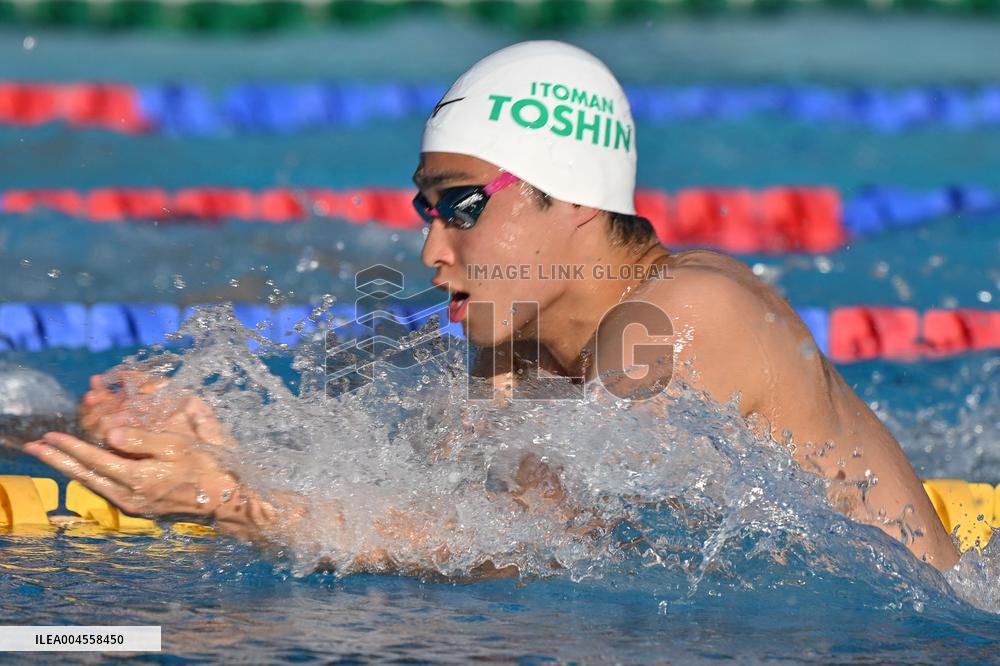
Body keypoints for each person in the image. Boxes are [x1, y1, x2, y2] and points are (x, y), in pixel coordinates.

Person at [24, 41, 958, 572]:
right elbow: (441, 508)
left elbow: (545, 552)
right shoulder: (517, 343)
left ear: (577, 197)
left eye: (463, 206)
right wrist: (207, 447)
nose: (432, 247)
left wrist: (239, 503)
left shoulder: (685, 315)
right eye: (425, 209)